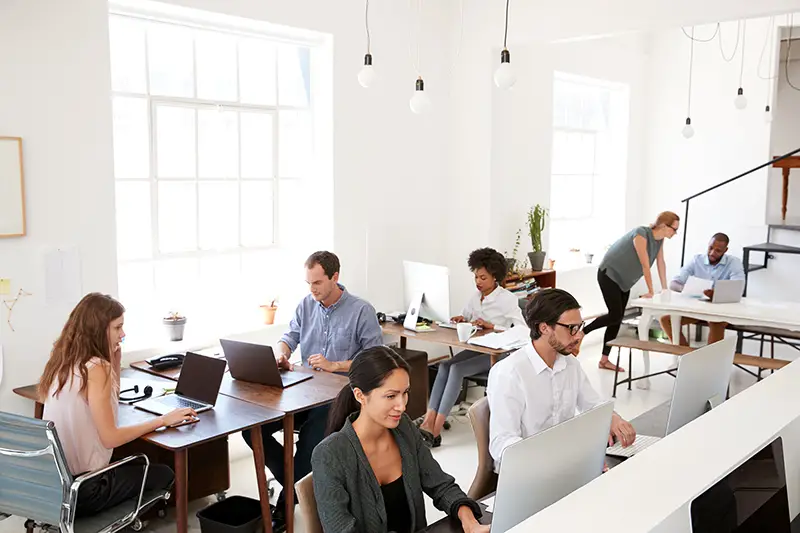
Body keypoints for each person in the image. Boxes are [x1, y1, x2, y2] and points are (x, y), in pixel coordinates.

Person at [242, 250, 383, 531]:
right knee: (251, 429)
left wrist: (336, 365)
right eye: (308, 283)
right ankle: (296, 485)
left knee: (313, 432)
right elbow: (289, 337)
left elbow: (375, 359)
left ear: (335, 277)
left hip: (341, 396)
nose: (312, 289)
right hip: (304, 391)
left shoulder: (360, 310)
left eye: (317, 283)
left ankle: (286, 502)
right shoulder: (305, 305)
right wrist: (280, 354)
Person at [40, 293, 195, 517]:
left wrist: (114, 363)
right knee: (163, 474)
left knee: (133, 464)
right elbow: (110, 437)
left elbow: (109, 405)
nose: (123, 334)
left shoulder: (63, 361)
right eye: (117, 327)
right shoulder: (96, 368)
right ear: (97, 329)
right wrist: (162, 420)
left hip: (55, 485)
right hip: (86, 489)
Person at [312, 346, 488, 533]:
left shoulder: (404, 428)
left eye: (405, 393)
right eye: (391, 396)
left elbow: (441, 485)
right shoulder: (329, 454)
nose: (402, 406)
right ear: (359, 396)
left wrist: (469, 521)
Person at [487, 289, 636, 471]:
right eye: (572, 328)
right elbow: (502, 443)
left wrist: (613, 419)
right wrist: (556, 462)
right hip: (527, 470)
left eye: (580, 327)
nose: (579, 335)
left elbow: (592, 405)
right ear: (544, 328)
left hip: (563, 462)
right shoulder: (510, 373)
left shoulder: (569, 364)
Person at [418, 248, 525, 448]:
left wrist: (492, 326)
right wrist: (461, 319)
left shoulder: (507, 299)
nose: (478, 281)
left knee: (457, 369)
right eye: (476, 277)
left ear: (495, 277)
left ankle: (436, 429)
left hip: (498, 354)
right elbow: (466, 316)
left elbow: (522, 329)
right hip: (478, 349)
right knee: (444, 366)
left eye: (483, 277)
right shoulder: (475, 297)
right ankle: (427, 421)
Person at [581, 211, 680, 371]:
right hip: (609, 274)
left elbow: (661, 263)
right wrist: (650, 290)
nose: (675, 233)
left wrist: (664, 289)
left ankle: (604, 360)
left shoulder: (660, 241)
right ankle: (583, 332)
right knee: (615, 315)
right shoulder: (641, 234)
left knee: (617, 318)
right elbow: (645, 264)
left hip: (624, 281)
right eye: (674, 229)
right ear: (663, 225)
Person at [660, 233, 745, 345]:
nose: (712, 253)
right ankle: (686, 355)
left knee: (716, 322)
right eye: (710, 248)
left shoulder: (734, 262)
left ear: (725, 250)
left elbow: (737, 288)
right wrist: (689, 289)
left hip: (720, 310)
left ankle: (709, 361)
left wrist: (716, 294)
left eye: (718, 251)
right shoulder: (697, 260)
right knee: (666, 320)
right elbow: (674, 284)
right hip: (697, 309)